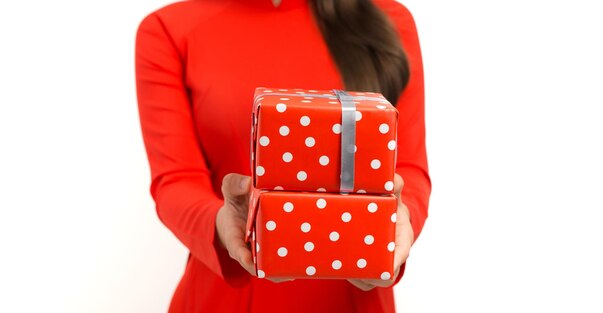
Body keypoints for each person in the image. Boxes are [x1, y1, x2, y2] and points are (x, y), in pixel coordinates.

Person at [134, 0, 431, 312]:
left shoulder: (388, 18)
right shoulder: (168, 29)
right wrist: (221, 222)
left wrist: (400, 220)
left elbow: (408, 167)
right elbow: (176, 179)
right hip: (225, 298)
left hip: (352, 295)